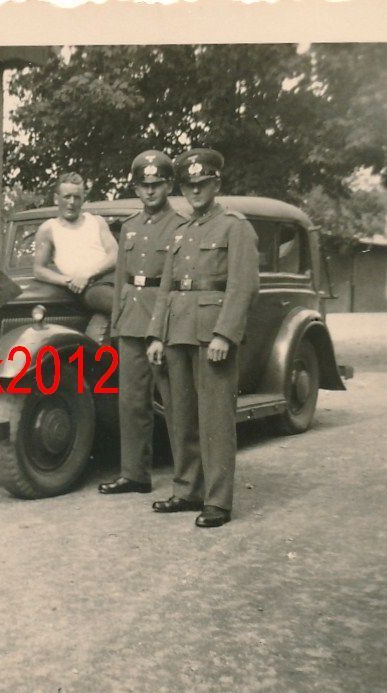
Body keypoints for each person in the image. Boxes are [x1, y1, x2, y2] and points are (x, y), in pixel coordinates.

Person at [145, 149, 260, 527]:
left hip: (212, 335)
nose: (195, 190)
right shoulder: (181, 231)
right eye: (189, 185)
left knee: (214, 419)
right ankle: (186, 489)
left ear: (216, 184)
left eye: (203, 183)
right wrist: (156, 334)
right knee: (180, 416)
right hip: (177, 332)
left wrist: (224, 333)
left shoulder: (234, 226)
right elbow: (166, 288)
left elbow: (243, 285)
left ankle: (218, 501)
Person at [99, 151, 185, 496]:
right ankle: (134, 474)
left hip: (163, 321)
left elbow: (176, 282)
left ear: (169, 185)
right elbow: (121, 278)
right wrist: (117, 323)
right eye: (143, 185)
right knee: (132, 402)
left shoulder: (180, 226)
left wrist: (161, 329)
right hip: (132, 320)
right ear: (135, 187)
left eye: (157, 184)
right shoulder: (130, 227)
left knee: (175, 404)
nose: (149, 191)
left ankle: (188, 480)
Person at [32, 172, 119, 340]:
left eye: (77, 197)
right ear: (57, 199)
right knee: (125, 306)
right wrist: (69, 281)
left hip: (112, 278)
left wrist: (87, 273)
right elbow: (39, 269)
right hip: (90, 289)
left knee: (131, 304)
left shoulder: (97, 221)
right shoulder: (48, 229)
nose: (72, 203)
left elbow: (114, 255)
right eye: (67, 197)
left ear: (83, 199)